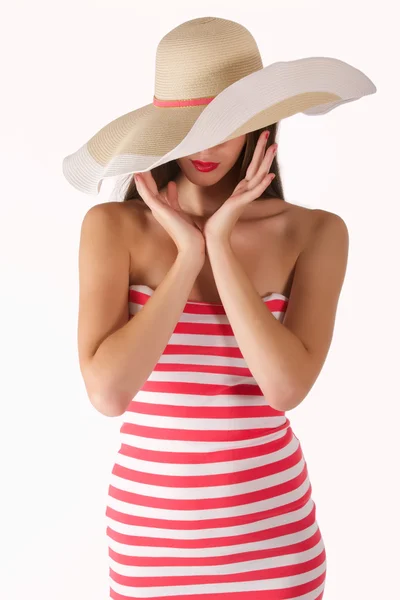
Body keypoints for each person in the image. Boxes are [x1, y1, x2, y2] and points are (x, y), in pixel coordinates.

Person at [64, 16, 376, 600]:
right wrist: (186, 253)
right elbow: (108, 394)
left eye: (227, 124)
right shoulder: (112, 228)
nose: (206, 147)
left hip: (276, 550)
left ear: (261, 124)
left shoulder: (315, 233)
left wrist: (219, 240)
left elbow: (284, 387)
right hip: (150, 553)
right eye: (187, 128)